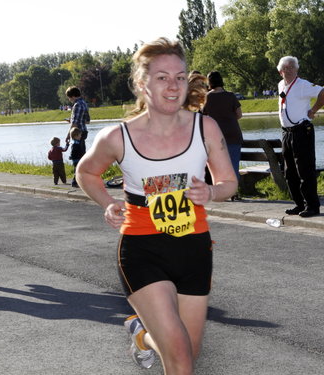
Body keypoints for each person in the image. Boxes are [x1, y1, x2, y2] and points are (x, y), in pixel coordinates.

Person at [76, 37, 237, 374]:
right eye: (162, 77)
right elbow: (86, 172)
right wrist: (107, 203)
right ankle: (148, 335)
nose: (173, 85)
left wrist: (211, 192)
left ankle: (141, 335)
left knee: (188, 353)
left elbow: (228, 182)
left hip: (194, 248)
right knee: (178, 356)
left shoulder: (204, 127)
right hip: (142, 249)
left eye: (179, 77)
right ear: (141, 83)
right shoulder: (118, 137)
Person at [277, 56, 324, 217]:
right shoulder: (280, 85)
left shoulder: (303, 85)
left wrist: (314, 110)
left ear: (297, 69)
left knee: (305, 170)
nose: (289, 70)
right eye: (286, 68)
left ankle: (312, 206)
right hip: (287, 132)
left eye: (292, 67)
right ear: (280, 71)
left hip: (301, 131)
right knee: (289, 172)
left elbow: (322, 92)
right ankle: (299, 204)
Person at [203, 71, 243, 201]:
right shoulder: (231, 96)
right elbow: (239, 114)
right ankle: (235, 193)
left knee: (218, 166)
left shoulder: (206, 98)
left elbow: (204, 117)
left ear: (209, 83)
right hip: (233, 134)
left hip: (216, 137)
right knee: (234, 164)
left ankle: (222, 193)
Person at [65, 86, 90, 151]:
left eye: (69, 97)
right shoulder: (84, 103)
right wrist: (71, 120)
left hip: (77, 133)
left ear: (73, 96)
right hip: (84, 131)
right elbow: (87, 121)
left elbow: (75, 123)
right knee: (82, 152)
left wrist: (68, 135)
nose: (69, 100)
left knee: (76, 154)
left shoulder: (77, 105)